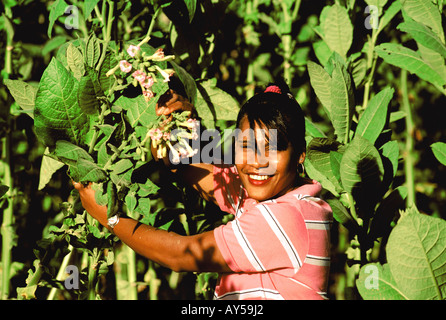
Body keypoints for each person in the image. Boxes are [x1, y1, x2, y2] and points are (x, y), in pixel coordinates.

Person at [73, 83, 333, 300]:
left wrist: (110, 217)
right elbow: (201, 175)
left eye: (272, 149)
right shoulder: (283, 196)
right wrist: (175, 128)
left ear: (300, 155)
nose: (256, 162)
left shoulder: (287, 218)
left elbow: (179, 254)